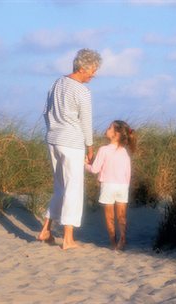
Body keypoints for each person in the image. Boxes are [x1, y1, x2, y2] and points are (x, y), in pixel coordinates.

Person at [37, 49, 102, 250]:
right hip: (72, 142)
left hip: (53, 139)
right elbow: (86, 121)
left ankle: (46, 230)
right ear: (82, 68)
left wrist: (53, 130)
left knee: (60, 187)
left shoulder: (57, 83)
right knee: (73, 189)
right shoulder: (82, 91)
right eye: (93, 70)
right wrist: (90, 147)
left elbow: (46, 112)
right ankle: (68, 238)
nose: (94, 74)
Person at [85, 120, 137, 251]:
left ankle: (114, 243)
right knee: (122, 216)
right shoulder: (125, 152)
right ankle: (123, 237)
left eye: (109, 128)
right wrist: (126, 186)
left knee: (109, 217)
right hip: (123, 186)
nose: (107, 129)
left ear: (116, 134)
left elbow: (95, 169)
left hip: (108, 186)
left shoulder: (104, 150)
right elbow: (128, 173)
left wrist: (84, 164)